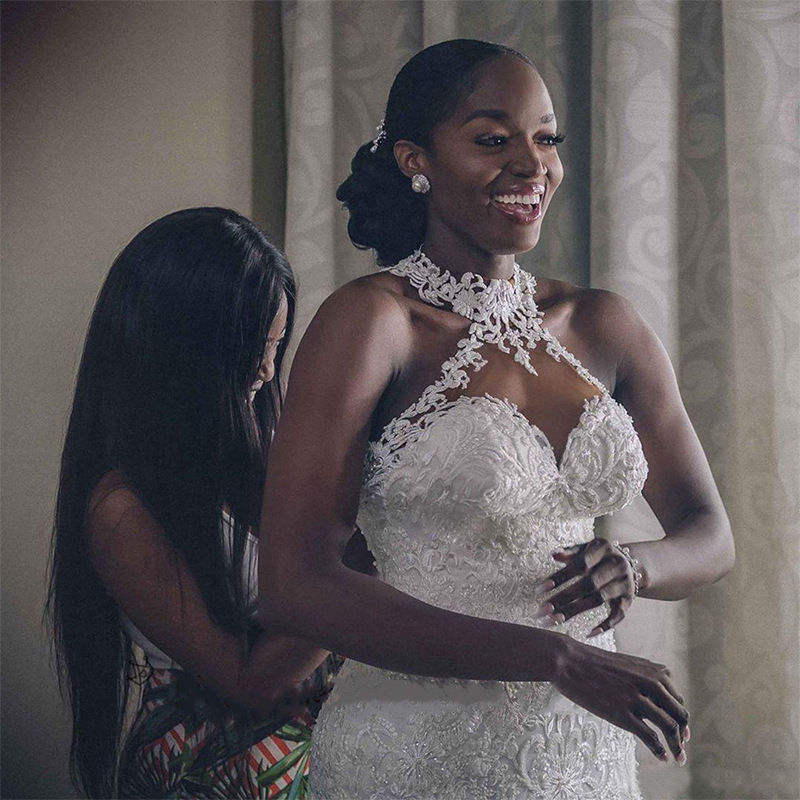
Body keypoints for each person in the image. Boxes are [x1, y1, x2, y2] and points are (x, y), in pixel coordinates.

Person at [256, 39, 735, 799]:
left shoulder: (604, 324)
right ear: (415, 160)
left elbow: (710, 534)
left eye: (547, 138)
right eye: (492, 140)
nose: (531, 164)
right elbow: (294, 585)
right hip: (416, 750)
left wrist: (636, 566)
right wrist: (555, 658)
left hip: (583, 749)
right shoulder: (372, 323)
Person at [46, 207, 376, 799]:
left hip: (324, 753)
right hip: (216, 772)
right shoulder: (122, 509)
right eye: (252, 348)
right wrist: (362, 566)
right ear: (178, 349)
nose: (267, 371)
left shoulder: (265, 446)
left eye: (276, 345)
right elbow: (249, 683)